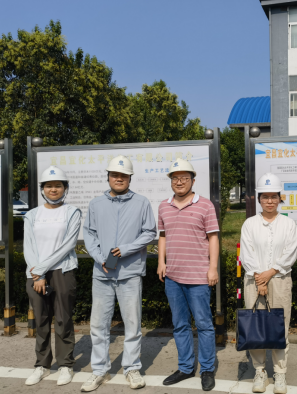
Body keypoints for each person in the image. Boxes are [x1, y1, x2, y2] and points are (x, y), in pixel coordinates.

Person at [81, 155, 156, 392]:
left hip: (130, 273)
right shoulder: (96, 204)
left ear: (130, 178)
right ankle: (99, 370)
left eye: (124, 175)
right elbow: (89, 234)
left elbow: (149, 232)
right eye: (115, 175)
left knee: (132, 324)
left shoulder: (142, 203)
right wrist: (100, 257)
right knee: (98, 325)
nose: (119, 178)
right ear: (108, 177)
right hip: (102, 273)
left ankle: (131, 368)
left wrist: (126, 249)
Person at [157, 158, 219, 392]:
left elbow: (213, 238)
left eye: (184, 178)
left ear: (193, 180)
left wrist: (212, 268)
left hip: (198, 277)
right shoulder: (164, 206)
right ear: (171, 181)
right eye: (175, 178)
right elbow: (162, 235)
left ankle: (207, 369)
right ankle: (185, 367)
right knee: (180, 325)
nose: (179, 182)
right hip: (173, 276)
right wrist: (161, 262)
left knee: (204, 325)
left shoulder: (205, 205)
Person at [239, 173, 297, 394]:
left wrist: (270, 273)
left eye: (274, 196)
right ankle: (260, 371)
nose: (270, 201)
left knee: (279, 326)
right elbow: (247, 254)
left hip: (280, 280)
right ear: (259, 199)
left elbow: (290, 253)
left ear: (280, 198)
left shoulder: (288, 224)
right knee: (255, 327)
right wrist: (260, 278)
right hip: (253, 281)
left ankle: (280, 373)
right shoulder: (249, 224)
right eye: (265, 197)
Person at [23, 166, 81, 386]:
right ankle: (42, 365)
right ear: (42, 189)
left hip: (62, 271)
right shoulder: (32, 215)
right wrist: (37, 273)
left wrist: (41, 270)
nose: (53, 189)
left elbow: (68, 245)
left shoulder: (72, 212)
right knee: (41, 320)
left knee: (63, 319)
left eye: (58, 185)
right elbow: (28, 246)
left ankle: (65, 364)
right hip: (35, 272)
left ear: (65, 188)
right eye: (49, 186)